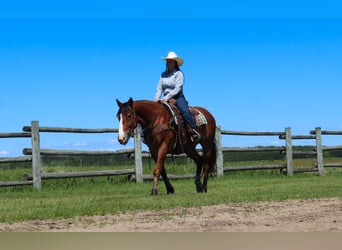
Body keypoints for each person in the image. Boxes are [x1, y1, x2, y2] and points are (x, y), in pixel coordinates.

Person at [154, 51, 200, 142]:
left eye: (171, 61)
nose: (169, 63)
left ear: (175, 63)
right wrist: (156, 99)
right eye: (168, 61)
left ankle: (193, 130)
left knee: (184, 111)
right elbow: (159, 88)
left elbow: (177, 88)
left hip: (178, 96)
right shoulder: (163, 74)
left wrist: (167, 98)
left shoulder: (179, 74)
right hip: (165, 97)